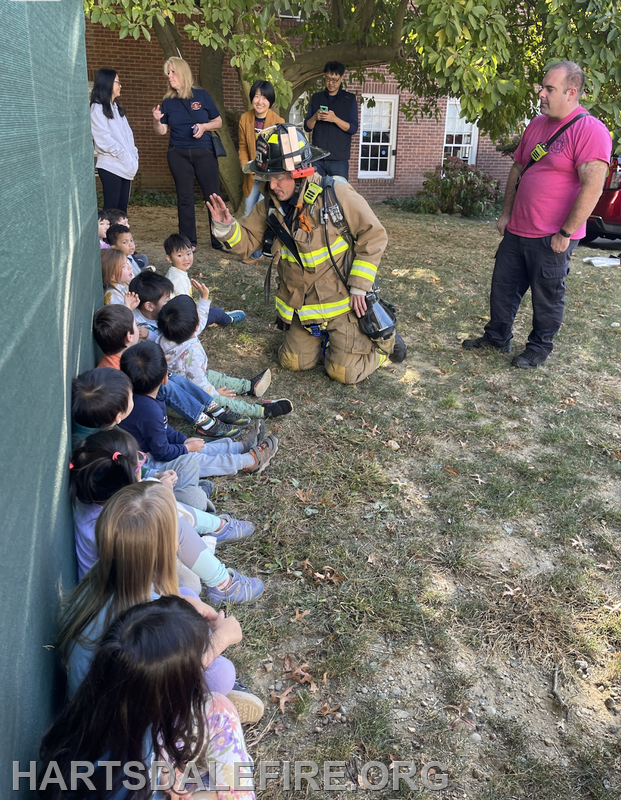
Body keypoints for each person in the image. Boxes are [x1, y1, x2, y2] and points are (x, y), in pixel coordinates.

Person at [206, 123, 406, 385]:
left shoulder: (335, 194)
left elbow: (374, 234)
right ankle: (327, 341)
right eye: (268, 178)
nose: (273, 185)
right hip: (303, 309)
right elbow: (247, 242)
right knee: (292, 362)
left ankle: (381, 348)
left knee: (343, 372)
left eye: (279, 177)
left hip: (341, 305)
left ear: (299, 173)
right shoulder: (269, 205)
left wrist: (359, 285)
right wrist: (227, 227)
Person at [462, 61, 612, 368]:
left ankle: (538, 347)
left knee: (547, 296)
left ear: (571, 93)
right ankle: (497, 336)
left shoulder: (590, 130)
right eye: (542, 87)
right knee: (502, 288)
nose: (541, 93)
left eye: (549, 89)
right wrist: (506, 213)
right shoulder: (536, 125)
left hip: (552, 236)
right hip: (518, 229)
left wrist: (566, 233)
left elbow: (592, 187)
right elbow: (518, 168)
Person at [39, 597, 256, 800]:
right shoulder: (127, 780)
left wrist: (161, 770)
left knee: (217, 707)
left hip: (147, 766)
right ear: (166, 698)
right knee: (220, 714)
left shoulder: (98, 709)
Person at [68, 431, 261, 609]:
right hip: (132, 596)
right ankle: (224, 585)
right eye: (140, 464)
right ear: (127, 479)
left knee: (162, 496)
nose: (142, 465)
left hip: (128, 578)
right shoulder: (118, 525)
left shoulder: (91, 492)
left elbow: (131, 495)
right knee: (188, 572)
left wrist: (154, 480)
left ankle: (218, 526)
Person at [119, 341, 280, 476]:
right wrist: (186, 448)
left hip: (149, 450)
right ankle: (250, 461)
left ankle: (241, 447)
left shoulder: (143, 397)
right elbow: (161, 452)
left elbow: (165, 430)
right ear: (165, 378)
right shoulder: (149, 411)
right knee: (196, 460)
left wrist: (183, 441)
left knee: (200, 446)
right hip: (146, 463)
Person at [93, 303, 249, 439]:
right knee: (164, 385)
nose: (138, 328)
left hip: (138, 395)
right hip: (132, 410)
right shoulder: (115, 370)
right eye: (135, 326)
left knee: (169, 376)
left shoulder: (120, 351)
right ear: (129, 336)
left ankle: (213, 408)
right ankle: (204, 423)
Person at [71, 367, 210, 512]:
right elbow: (132, 499)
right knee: (196, 500)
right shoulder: (104, 450)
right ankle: (194, 500)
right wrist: (160, 487)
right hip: (141, 506)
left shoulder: (94, 422)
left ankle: (192, 493)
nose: (135, 398)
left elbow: (133, 467)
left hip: (143, 482)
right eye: (131, 397)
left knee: (188, 462)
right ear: (118, 417)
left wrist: (155, 475)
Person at [158, 292, 294, 420]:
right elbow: (200, 385)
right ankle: (262, 411)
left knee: (213, 376)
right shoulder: (191, 356)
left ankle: (250, 386)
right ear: (195, 326)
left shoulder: (168, 334)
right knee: (219, 402)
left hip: (184, 380)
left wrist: (204, 299)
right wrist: (215, 394)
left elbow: (200, 321)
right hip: (184, 399)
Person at [152, 57, 224, 251]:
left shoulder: (201, 95)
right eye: (167, 73)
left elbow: (218, 121)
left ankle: (219, 239)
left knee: (213, 196)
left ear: (183, 72)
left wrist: (204, 126)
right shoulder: (168, 101)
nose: (170, 77)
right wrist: (157, 120)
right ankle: (188, 241)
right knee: (185, 198)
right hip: (178, 153)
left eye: (173, 72)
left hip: (204, 152)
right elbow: (162, 131)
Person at [238, 79, 285, 263]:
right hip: (252, 175)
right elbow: (242, 146)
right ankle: (252, 253)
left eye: (264, 97)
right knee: (248, 213)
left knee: (263, 213)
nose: (260, 101)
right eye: (257, 96)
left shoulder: (278, 121)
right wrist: (245, 165)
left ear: (270, 101)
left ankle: (267, 252)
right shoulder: (245, 119)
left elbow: (281, 151)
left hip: (269, 178)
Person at [164, 232, 246, 325]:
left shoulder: (173, 272)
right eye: (180, 255)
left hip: (173, 317)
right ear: (169, 258)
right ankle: (228, 319)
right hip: (183, 323)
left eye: (188, 253)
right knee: (217, 312)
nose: (186, 259)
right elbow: (184, 306)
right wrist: (198, 317)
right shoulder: (179, 279)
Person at [90, 68, 139, 213]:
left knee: (122, 210)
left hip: (125, 167)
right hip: (111, 167)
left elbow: (128, 136)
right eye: (118, 81)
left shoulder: (117, 108)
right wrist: (123, 156)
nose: (120, 85)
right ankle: (108, 236)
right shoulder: (97, 108)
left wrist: (133, 155)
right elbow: (103, 139)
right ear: (108, 83)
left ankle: (121, 235)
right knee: (111, 210)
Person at [304, 61, 358, 180]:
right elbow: (307, 127)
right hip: (318, 157)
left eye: (334, 79)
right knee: (313, 193)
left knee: (339, 194)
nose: (330, 83)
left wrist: (335, 119)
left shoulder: (349, 99)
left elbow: (353, 128)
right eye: (328, 79)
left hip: (339, 159)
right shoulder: (316, 98)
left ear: (342, 77)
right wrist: (314, 117)